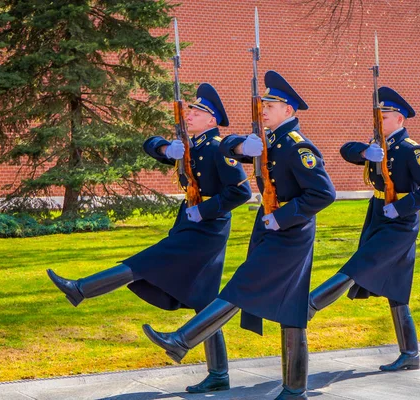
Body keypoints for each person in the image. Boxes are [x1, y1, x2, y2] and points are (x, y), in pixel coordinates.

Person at [142, 71, 336, 400]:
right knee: (291, 309)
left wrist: (284, 218)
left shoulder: (296, 146)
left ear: (288, 111)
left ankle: (182, 340)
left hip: (290, 232)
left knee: (243, 285)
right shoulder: (270, 139)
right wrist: (242, 144)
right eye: (263, 104)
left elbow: (324, 193)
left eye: (271, 105)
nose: (264, 109)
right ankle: (294, 388)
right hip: (271, 224)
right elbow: (229, 145)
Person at [46, 83, 251, 393]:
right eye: (190, 110)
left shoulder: (218, 148)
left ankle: (81, 289)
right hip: (188, 222)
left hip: (207, 229)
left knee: (146, 262)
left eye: (197, 112)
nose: (190, 115)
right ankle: (219, 375)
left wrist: (206, 211)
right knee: (205, 301)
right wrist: (166, 149)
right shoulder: (190, 146)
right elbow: (148, 143)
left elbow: (242, 192)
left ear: (212, 121)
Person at [308, 86, 420, 372]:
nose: (378, 119)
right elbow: (347, 150)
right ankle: (410, 354)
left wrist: (403, 207)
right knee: (396, 287)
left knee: (360, 264)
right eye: (377, 115)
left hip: (400, 222)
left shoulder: (410, 150)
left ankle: (310, 306)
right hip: (378, 214)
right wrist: (366, 152)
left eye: (384, 116)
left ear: (400, 120)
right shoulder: (379, 144)